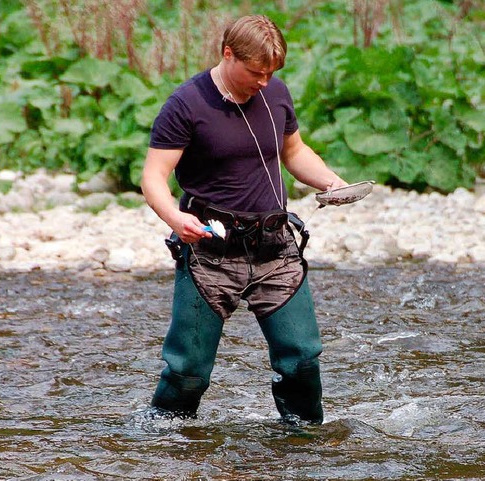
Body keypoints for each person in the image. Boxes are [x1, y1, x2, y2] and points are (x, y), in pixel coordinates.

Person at [140, 14, 347, 425]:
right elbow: (153, 176)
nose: (265, 82)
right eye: (256, 72)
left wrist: (332, 182)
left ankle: (305, 443)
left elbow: (293, 152)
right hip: (210, 253)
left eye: (272, 73)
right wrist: (174, 217)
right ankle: (159, 441)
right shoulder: (186, 104)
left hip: (276, 249)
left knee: (301, 359)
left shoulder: (276, 94)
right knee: (188, 373)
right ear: (228, 53)